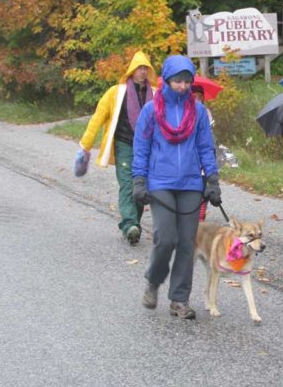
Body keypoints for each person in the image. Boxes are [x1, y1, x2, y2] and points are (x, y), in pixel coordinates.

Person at [132, 55, 220, 320]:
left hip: (191, 183)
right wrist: (139, 180)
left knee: (186, 243)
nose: (182, 86)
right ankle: (153, 281)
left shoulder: (199, 111)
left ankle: (179, 299)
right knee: (165, 238)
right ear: (166, 80)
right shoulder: (151, 110)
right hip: (160, 182)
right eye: (177, 81)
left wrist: (212, 180)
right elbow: (142, 147)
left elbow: (205, 147)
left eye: (186, 81)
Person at [75, 50, 156, 246]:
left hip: (148, 147)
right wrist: (85, 145)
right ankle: (130, 225)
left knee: (141, 186)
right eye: (139, 68)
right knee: (128, 184)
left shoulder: (157, 93)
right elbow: (97, 119)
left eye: (145, 68)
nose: (142, 72)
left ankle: (133, 222)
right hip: (124, 144)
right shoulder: (115, 93)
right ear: (131, 71)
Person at [192, 84, 213, 222]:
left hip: (203, 154)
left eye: (200, 97)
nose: (198, 100)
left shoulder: (206, 112)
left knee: (203, 183)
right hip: (188, 156)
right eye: (194, 97)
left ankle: (201, 212)